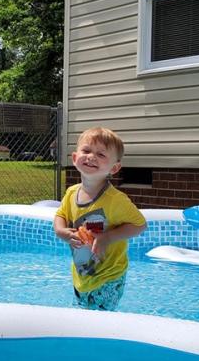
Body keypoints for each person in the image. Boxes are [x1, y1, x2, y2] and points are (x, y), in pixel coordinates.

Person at [54, 127, 146, 311]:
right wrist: (61, 232)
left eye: (101, 154)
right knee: (82, 315)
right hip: (83, 274)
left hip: (108, 276)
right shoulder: (72, 193)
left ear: (114, 168)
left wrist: (107, 237)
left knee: (99, 323)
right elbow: (61, 215)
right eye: (86, 151)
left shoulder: (115, 200)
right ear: (74, 158)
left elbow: (139, 225)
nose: (91, 157)